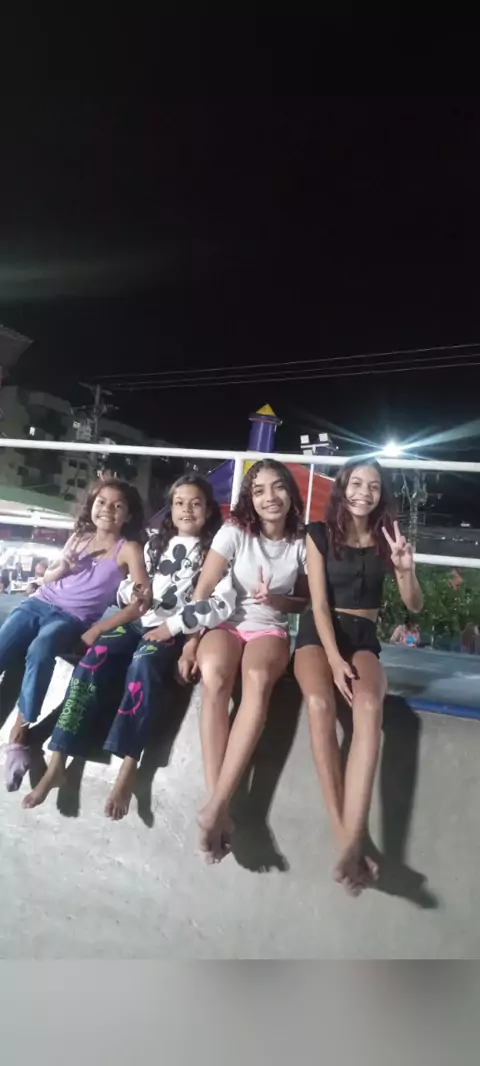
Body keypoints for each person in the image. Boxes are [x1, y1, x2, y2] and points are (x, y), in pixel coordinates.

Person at [23, 475, 236, 817]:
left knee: (143, 665)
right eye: (179, 502)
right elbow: (128, 590)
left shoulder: (217, 552)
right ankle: (59, 759)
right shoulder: (154, 545)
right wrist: (133, 592)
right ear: (171, 509)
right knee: (93, 661)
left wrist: (179, 634)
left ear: (209, 510)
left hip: (174, 631)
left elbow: (216, 603)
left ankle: (129, 764)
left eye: (196, 503)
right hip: (138, 622)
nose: (187, 510)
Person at [294, 460, 423, 897]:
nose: (364, 492)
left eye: (374, 486)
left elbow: (414, 605)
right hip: (320, 635)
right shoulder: (318, 533)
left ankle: (353, 838)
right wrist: (333, 660)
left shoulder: (388, 540)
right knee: (320, 704)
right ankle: (347, 838)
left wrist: (405, 568)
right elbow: (317, 604)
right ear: (342, 487)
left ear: (381, 494)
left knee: (369, 704)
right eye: (356, 483)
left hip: (364, 636)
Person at [190, 459, 309, 863]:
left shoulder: (302, 541)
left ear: (290, 492)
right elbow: (204, 586)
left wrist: (276, 599)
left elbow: (303, 601)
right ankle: (218, 808)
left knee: (256, 678)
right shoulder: (235, 531)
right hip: (224, 621)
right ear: (249, 499)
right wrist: (192, 639)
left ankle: (215, 809)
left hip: (269, 627)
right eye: (259, 491)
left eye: (278, 487)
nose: (269, 497)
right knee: (214, 674)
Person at [1, 479, 150, 792]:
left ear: (128, 514)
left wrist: (98, 629)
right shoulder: (79, 537)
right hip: (38, 603)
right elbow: (49, 577)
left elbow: (140, 604)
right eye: (101, 502)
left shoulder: (129, 549)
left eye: (117, 505)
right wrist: (61, 570)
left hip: (72, 618)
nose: (107, 509)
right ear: (91, 506)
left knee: (41, 650)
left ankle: (20, 734)